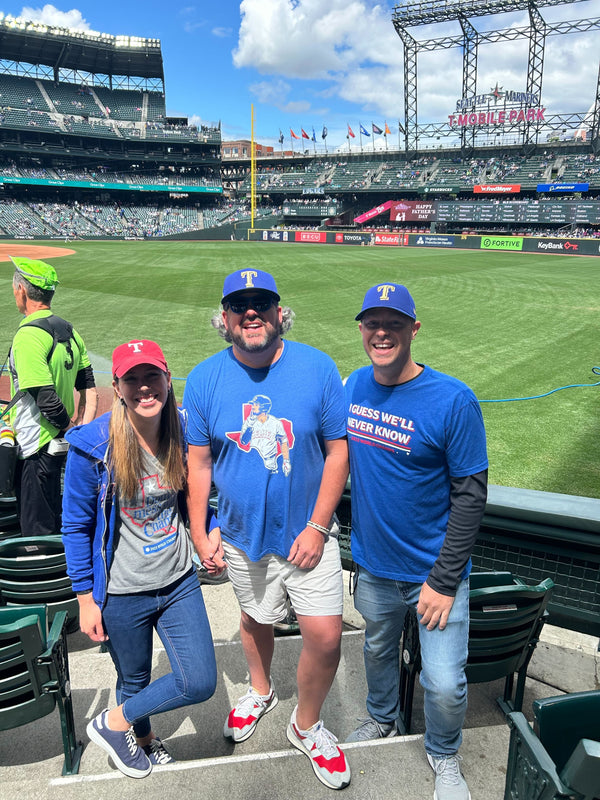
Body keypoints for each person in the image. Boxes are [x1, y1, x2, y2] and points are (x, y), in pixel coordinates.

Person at [183, 269, 351, 791]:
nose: (250, 313)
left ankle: (306, 724)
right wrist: (200, 530)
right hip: (238, 534)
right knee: (255, 620)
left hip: (309, 535)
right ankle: (260, 690)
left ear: (280, 313)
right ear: (225, 320)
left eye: (261, 303)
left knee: (324, 637)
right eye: (239, 305)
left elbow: (338, 451)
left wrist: (319, 527)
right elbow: (199, 464)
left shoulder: (317, 367)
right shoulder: (205, 377)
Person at [345, 283, 488, 800]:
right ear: (361, 329)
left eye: (394, 324)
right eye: (372, 324)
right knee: (378, 649)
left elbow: (471, 496)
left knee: (445, 683)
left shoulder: (454, 400)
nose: (381, 333)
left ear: (413, 330)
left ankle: (444, 754)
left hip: (435, 575)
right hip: (374, 567)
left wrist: (444, 580)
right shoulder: (352, 387)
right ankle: (382, 718)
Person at [62, 339, 217, 779]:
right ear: (117, 385)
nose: (144, 388)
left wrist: (213, 528)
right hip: (122, 590)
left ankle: (112, 724)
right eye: (132, 379)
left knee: (199, 679)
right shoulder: (93, 446)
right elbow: (75, 526)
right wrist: (85, 599)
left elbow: (204, 491)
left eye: (152, 376)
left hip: (177, 582)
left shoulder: (184, 430)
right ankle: (143, 739)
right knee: (133, 681)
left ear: (168, 379)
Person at [7, 256, 97, 536]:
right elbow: (89, 387)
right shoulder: (70, 331)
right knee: (58, 512)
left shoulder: (29, 335)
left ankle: (46, 575)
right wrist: (80, 430)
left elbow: (45, 398)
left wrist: (69, 429)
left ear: (21, 289)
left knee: (37, 527)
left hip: (35, 447)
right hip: (60, 445)